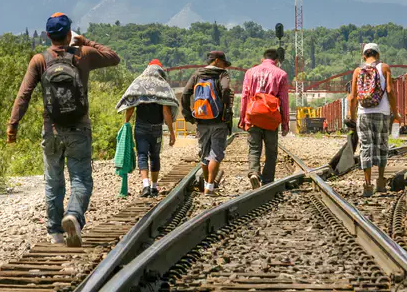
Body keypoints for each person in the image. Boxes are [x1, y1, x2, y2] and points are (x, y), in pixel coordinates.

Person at [7, 13, 120, 246]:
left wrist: (13, 126)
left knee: (53, 181)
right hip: (79, 128)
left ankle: (55, 233)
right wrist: (86, 42)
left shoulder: (39, 60)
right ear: (69, 33)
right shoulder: (83, 54)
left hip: (52, 129)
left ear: (48, 36)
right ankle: (74, 216)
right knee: (80, 179)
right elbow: (113, 57)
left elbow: (24, 95)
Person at [117, 59, 178, 198]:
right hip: (156, 129)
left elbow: (131, 105)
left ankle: (145, 185)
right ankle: (154, 187)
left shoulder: (139, 83)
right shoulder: (163, 86)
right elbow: (166, 112)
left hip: (140, 128)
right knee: (155, 156)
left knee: (142, 155)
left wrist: (126, 123)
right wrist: (172, 133)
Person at [181, 51, 233, 195]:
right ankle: (209, 187)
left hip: (201, 120)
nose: (224, 66)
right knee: (216, 153)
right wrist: (226, 110)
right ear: (216, 61)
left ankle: (206, 184)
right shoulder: (222, 74)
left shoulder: (197, 74)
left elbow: (186, 93)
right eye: (223, 62)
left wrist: (188, 114)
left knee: (204, 154)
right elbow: (226, 89)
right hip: (218, 120)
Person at [348, 43, 395, 198]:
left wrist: (352, 116)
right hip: (382, 113)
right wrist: (395, 111)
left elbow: (353, 96)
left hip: (363, 113)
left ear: (364, 56)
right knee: (382, 144)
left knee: (366, 146)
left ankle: (367, 184)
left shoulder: (357, 71)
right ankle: (380, 182)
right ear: (378, 55)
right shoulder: (384, 68)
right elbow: (389, 91)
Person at [239, 49, 290, 189]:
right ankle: (268, 181)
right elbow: (284, 101)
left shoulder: (250, 72)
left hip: (253, 115)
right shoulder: (281, 74)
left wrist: (243, 117)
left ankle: (254, 172)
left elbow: (244, 96)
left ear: (263, 58)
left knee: (254, 148)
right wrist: (285, 123)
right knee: (271, 151)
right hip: (271, 117)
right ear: (277, 60)